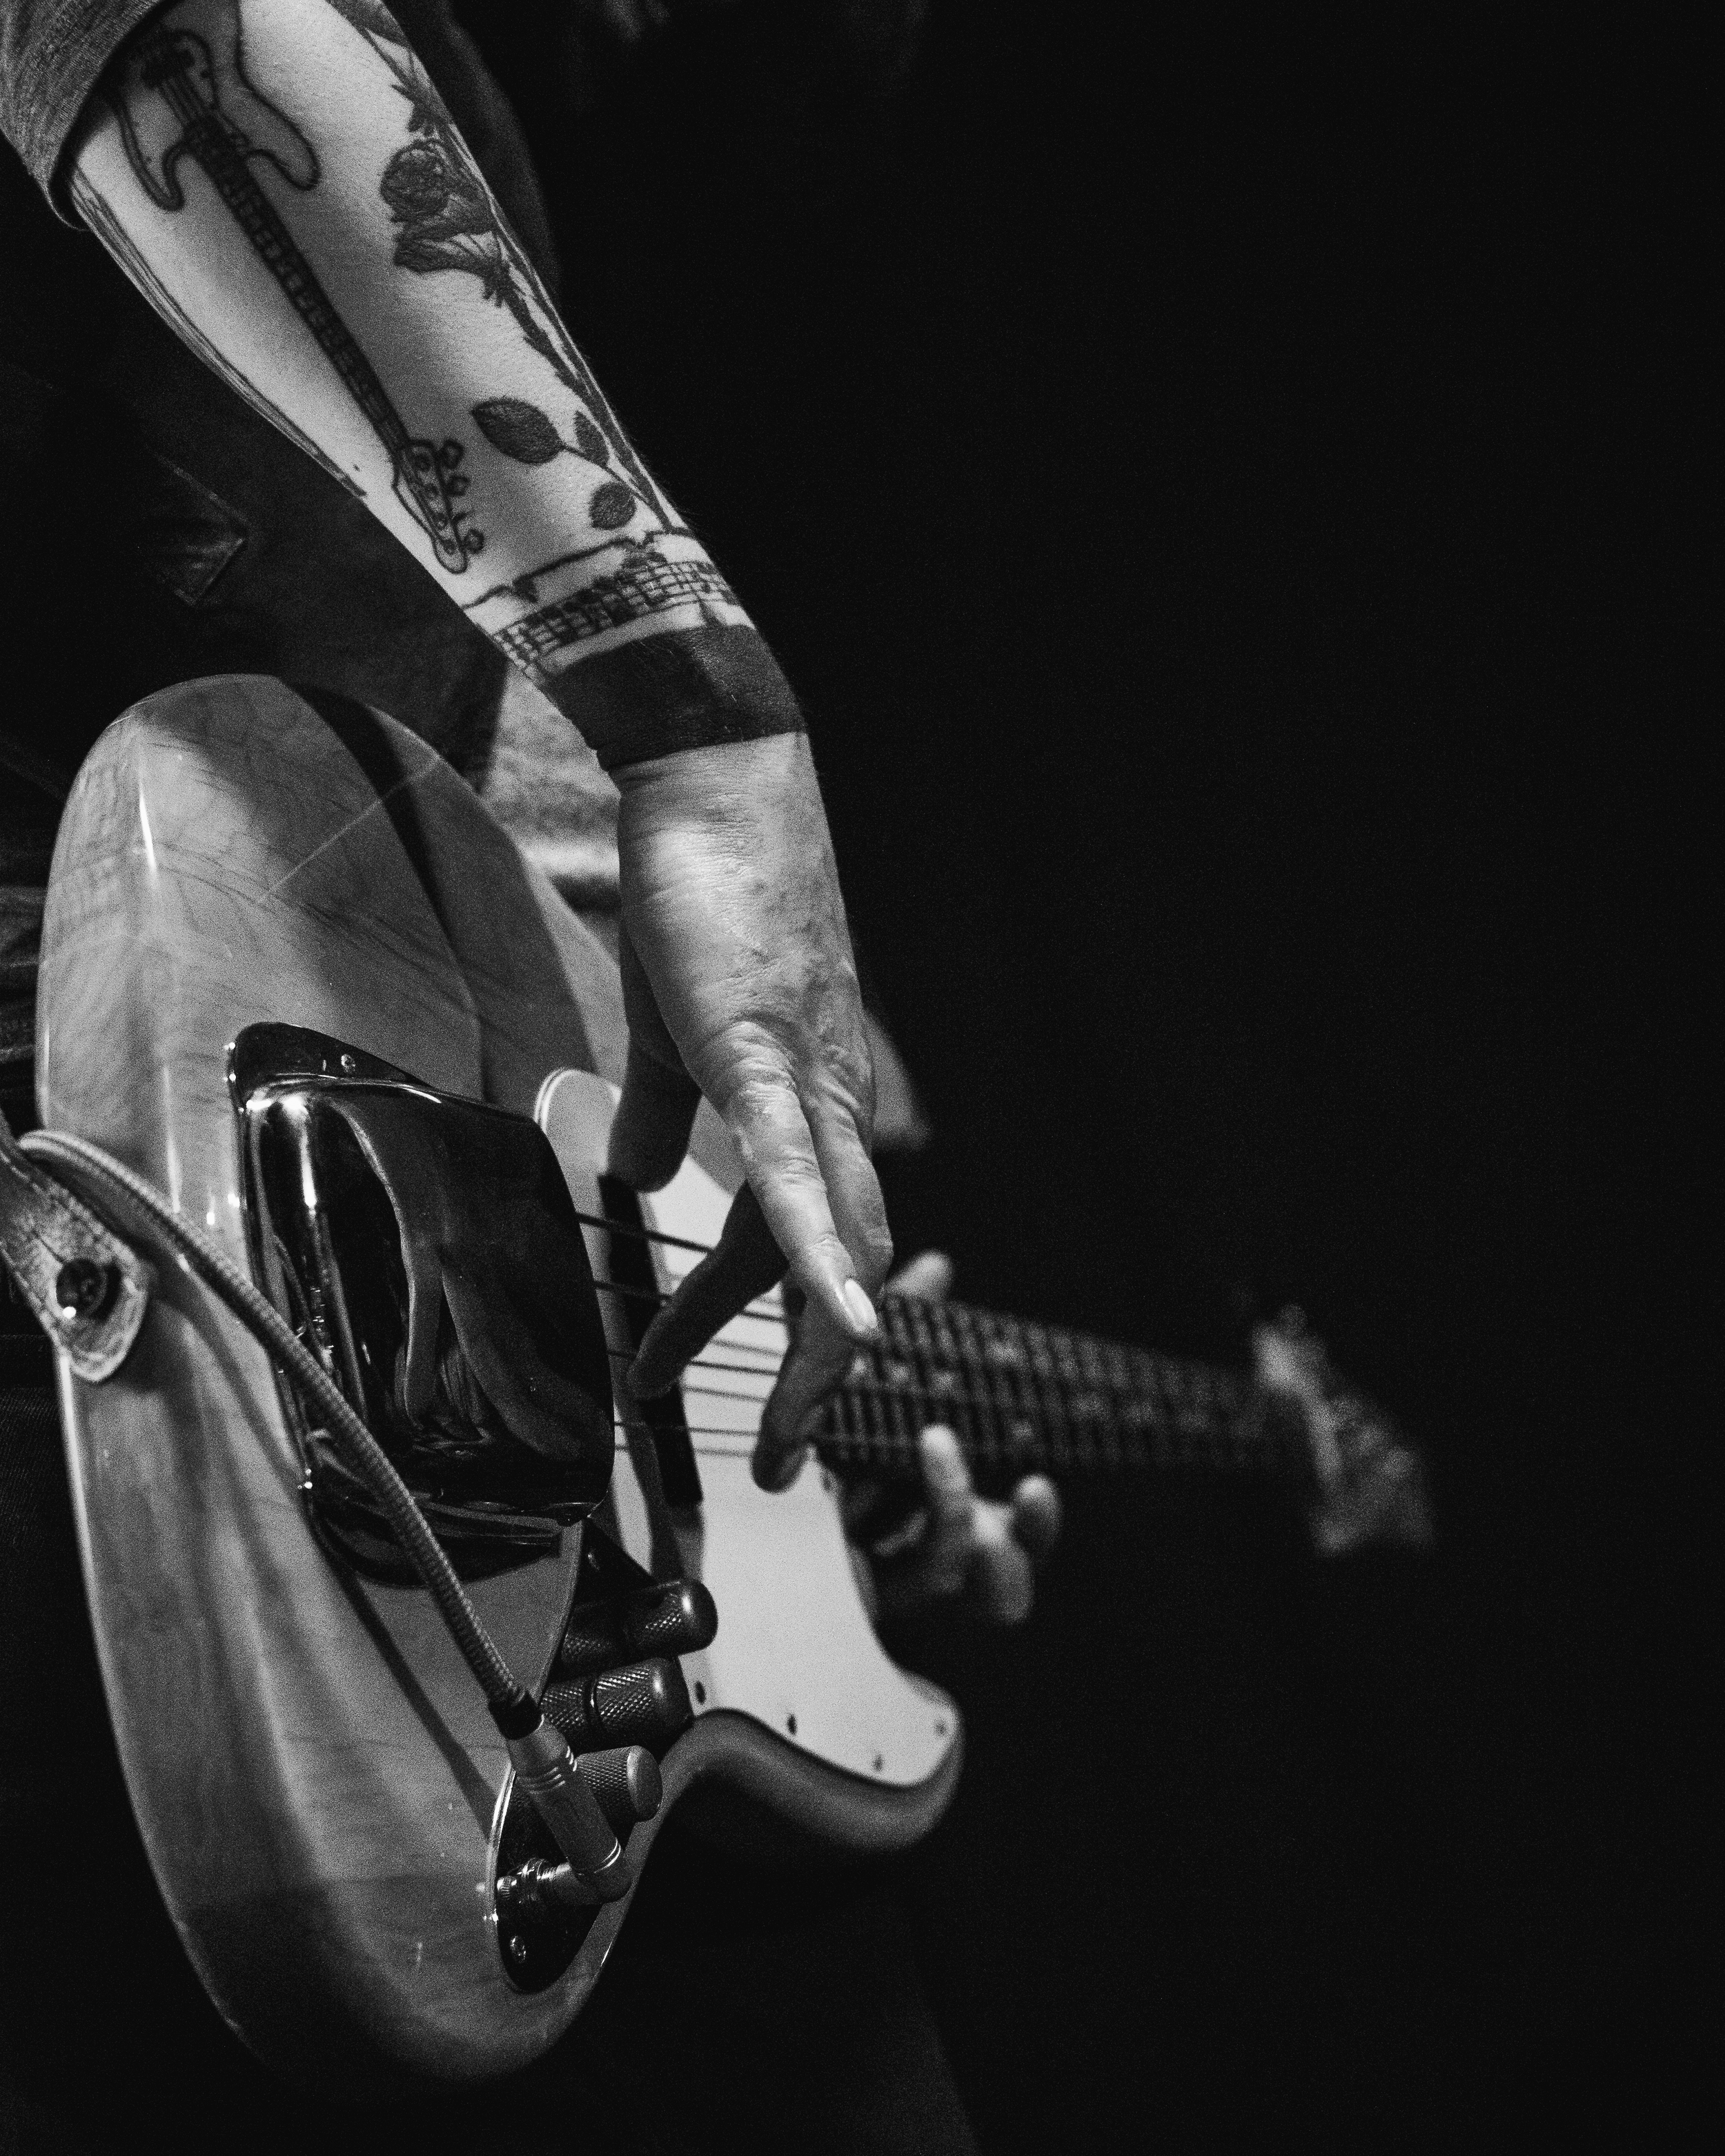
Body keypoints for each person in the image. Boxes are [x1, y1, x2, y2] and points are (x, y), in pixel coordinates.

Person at [0, 3, 1056, 2146]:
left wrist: (782, 1506)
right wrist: (705, 720)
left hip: (440, 1586)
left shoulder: (535, 117)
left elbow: (541, 1076)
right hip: (87, 1310)